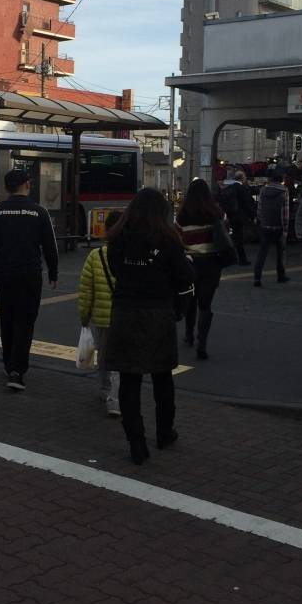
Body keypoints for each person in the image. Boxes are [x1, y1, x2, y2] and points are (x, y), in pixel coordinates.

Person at [106, 188, 194, 465]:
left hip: (125, 312)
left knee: (129, 380)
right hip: (158, 313)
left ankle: (137, 444)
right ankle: (164, 432)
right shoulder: (168, 240)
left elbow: (116, 270)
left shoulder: (117, 237)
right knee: (162, 377)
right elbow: (183, 279)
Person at [0, 169, 59, 391]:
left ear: (7, 187)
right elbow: (50, 246)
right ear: (27, 184)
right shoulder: (39, 212)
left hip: (4, 274)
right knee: (25, 322)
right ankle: (17, 370)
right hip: (30, 274)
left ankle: (10, 364)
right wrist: (53, 273)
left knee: (7, 318)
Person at [78, 210, 122, 417]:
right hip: (125, 316)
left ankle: (106, 392)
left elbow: (86, 290)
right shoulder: (132, 254)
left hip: (102, 317)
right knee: (120, 358)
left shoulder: (95, 256)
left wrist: (84, 316)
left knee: (104, 356)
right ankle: (116, 399)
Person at [175, 178, 225, 359]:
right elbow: (223, 236)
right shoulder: (215, 213)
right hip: (211, 263)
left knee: (191, 299)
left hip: (190, 262)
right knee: (206, 304)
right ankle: (202, 343)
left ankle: (188, 334)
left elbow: (178, 239)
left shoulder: (182, 215)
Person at [253, 169, 290, 287]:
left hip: (265, 225)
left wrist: (261, 221)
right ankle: (281, 276)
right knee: (280, 252)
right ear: (281, 179)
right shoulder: (284, 191)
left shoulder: (263, 190)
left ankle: (257, 278)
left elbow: (259, 209)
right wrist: (285, 229)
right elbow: (285, 212)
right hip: (278, 226)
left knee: (262, 252)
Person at [216, 167, 253, 265]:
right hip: (240, 216)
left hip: (231, 215)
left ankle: (234, 257)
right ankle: (241, 259)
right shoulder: (243, 188)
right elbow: (247, 203)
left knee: (233, 236)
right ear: (242, 178)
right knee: (239, 238)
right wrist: (252, 215)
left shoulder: (230, 188)